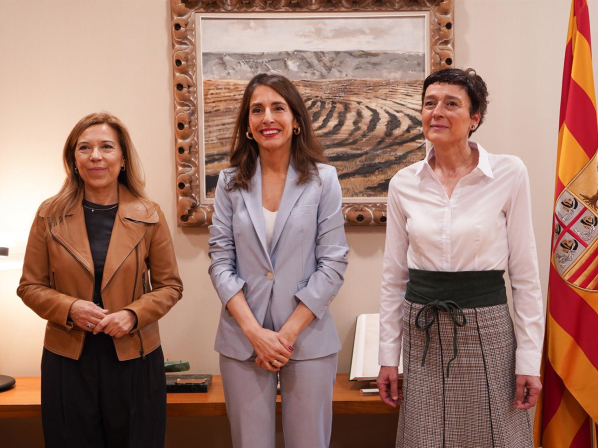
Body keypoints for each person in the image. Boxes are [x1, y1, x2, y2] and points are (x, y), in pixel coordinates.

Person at [376, 68, 544, 447]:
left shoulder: (509, 173)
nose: (437, 112)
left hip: (488, 330)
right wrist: (388, 356)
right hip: (421, 334)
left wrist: (528, 361)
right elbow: (393, 278)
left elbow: (525, 276)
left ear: (474, 119)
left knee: (496, 437)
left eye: (451, 104)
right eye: (429, 103)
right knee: (425, 438)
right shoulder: (403, 182)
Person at [18, 112, 183, 448]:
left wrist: (133, 314)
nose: (95, 156)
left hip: (135, 357)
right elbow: (30, 286)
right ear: (73, 160)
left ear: (122, 160)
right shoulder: (49, 215)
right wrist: (69, 308)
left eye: (106, 147)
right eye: (85, 148)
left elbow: (170, 286)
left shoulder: (149, 215)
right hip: (68, 360)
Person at [208, 73, 349, 448]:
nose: (267, 118)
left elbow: (333, 263)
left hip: (307, 338)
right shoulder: (228, 183)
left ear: (296, 121)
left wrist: (284, 337)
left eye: (277, 108)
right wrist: (255, 333)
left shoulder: (324, 180)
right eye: (257, 110)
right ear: (247, 125)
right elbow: (220, 261)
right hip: (243, 341)